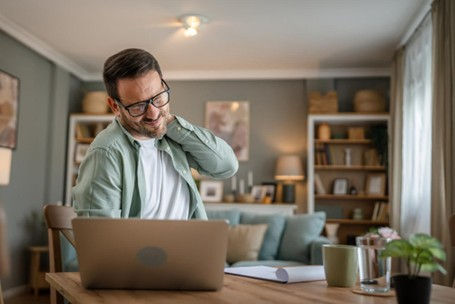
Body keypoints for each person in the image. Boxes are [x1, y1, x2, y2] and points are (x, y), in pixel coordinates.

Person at [72, 48, 238, 219]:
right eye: (138, 106)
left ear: (164, 85)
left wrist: (171, 122)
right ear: (115, 107)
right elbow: (97, 239)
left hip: (191, 244)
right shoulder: (106, 153)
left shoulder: (173, 137)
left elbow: (226, 167)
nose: (153, 113)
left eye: (158, 97)